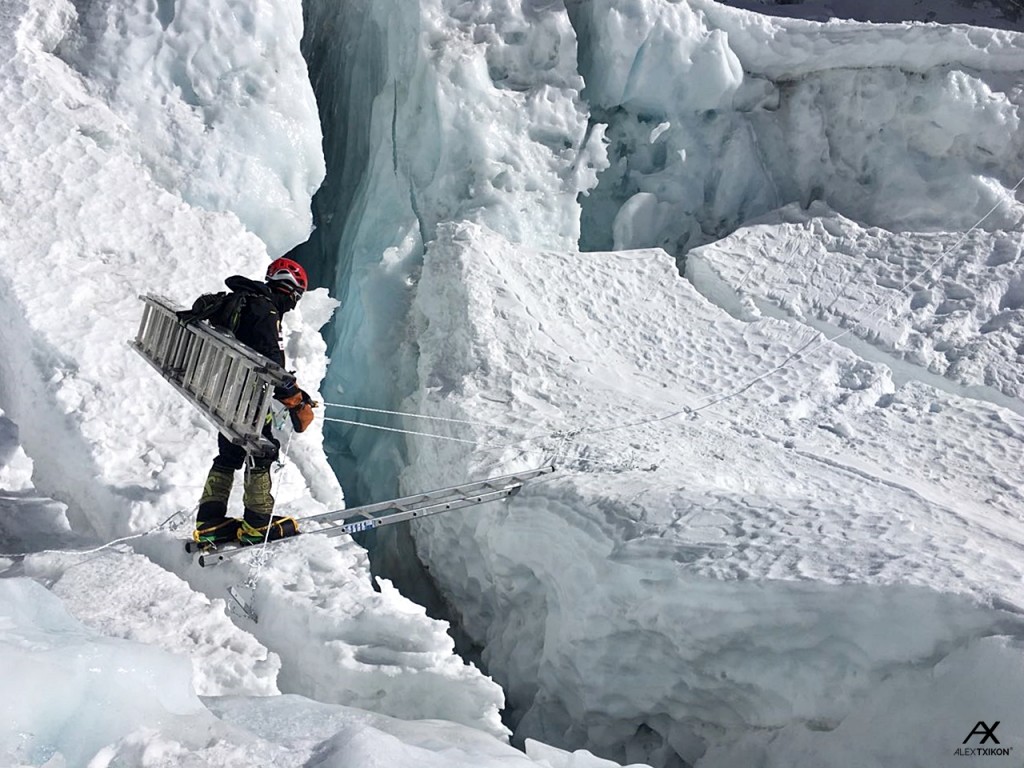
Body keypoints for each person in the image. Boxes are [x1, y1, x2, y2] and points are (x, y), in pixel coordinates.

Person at [190, 257, 316, 547]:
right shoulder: (265, 310)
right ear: (293, 292)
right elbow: (271, 363)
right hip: (247, 398)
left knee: (230, 454)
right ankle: (258, 526)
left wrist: (294, 391)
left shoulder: (243, 301)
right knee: (263, 451)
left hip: (225, 393)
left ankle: (210, 523)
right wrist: (295, 401)